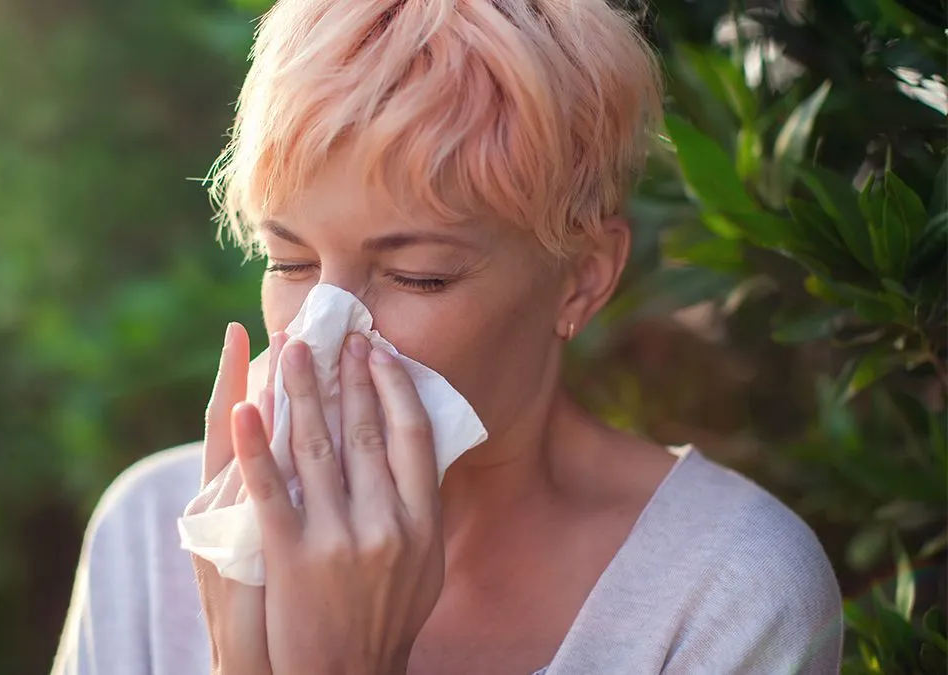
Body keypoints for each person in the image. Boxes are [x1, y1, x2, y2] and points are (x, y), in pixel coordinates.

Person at [52, 0, 844, 673]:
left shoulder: (725, 590)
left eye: (418, 275)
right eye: (289, 260)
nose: (316, 334)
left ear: (583, 277)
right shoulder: (153, 536)